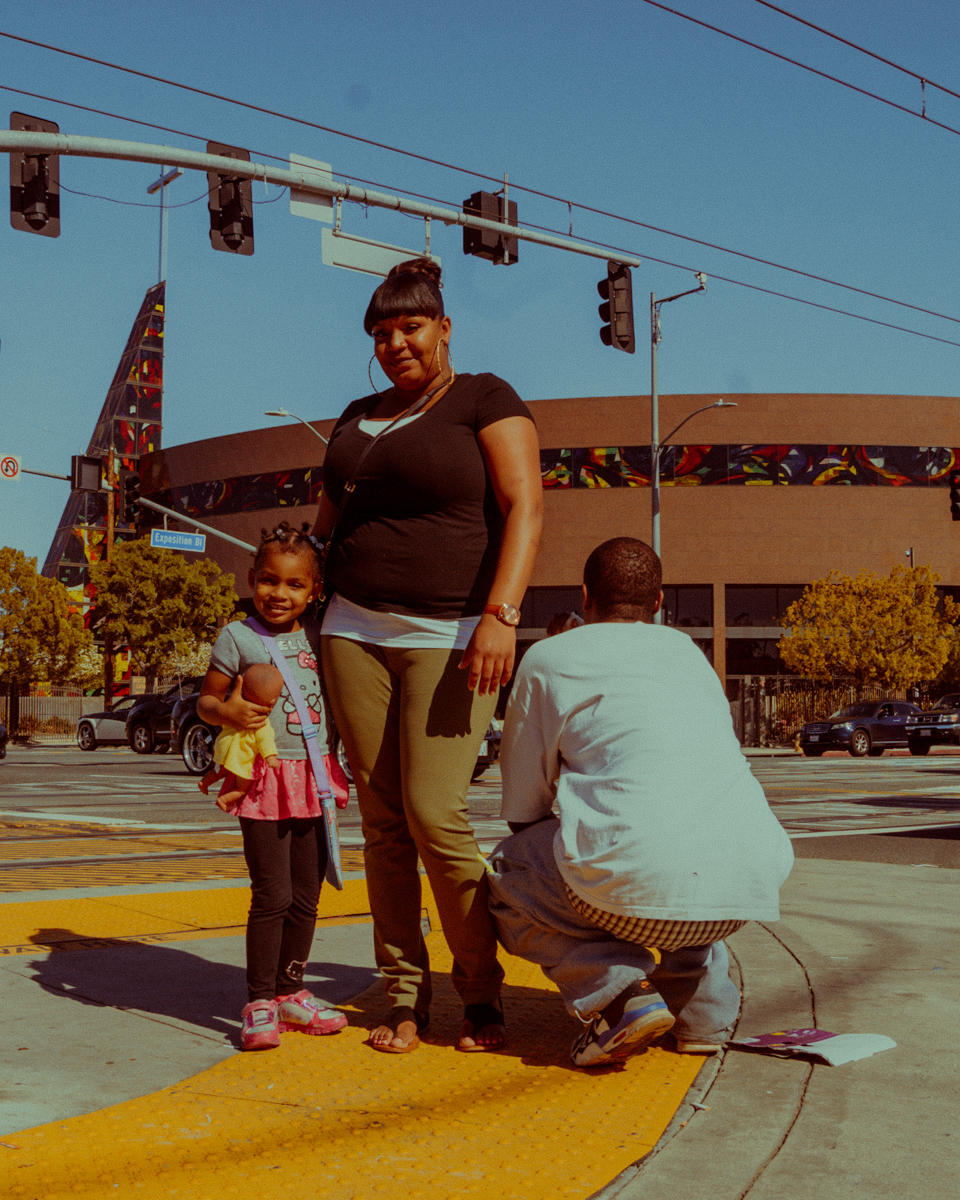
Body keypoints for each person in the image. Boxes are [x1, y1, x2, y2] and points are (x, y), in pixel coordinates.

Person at [314, 258, 543, 1054]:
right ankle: (405, 993)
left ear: (444, 328)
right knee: (381, 821)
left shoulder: (484, 397)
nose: (395, 343)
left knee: (434, 813)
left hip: (450, 636)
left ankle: (480, 991)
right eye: (381, 333)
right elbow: (324, 523)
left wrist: (501, 616)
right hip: (350, 630)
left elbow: (525, 508)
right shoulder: (357, 414)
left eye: (409, 327)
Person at [487, 537, 794, 1068]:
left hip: (641, 893)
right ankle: (702, 1017)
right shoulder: (687, 653)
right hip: (745, 886)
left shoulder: (548, 656)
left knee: (508, 872)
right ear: (657, 603)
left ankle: (620, 995)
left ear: (585, 597)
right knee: (673, 869)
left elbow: (522, 809)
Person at [197, 523, 351, 1052]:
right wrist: (228, 710)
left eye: (293, 585)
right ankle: (260, 1000)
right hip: (266, 778)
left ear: (314, 591)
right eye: (268, 581)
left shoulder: (321, 633)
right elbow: (206, 702)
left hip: (314, 776)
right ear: (251, 579)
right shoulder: (237, 637)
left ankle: (291, 992)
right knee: (272, 895)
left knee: (307, 895)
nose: (278, 594)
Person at [198, 663, 283, 811]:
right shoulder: (260, 721)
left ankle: (204, 783)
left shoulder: (236, 709)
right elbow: (265, 740)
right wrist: (270, 756)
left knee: (219, 772)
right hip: (241, 757)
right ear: (272, 702)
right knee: (241, 788)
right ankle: (224, 799)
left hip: (224, 748)